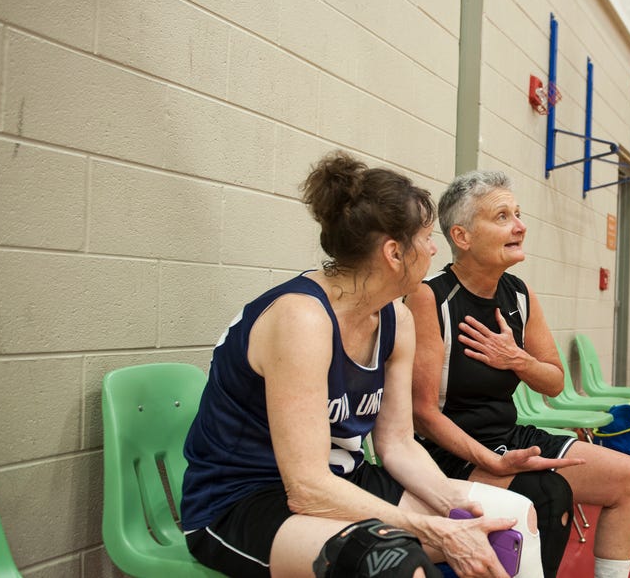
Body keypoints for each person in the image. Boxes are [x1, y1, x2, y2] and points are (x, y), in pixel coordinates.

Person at [181, 151, 546, 578]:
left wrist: (457, 509)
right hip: (245, 501)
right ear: (394, 252)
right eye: (427, 238)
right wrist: (432, 529)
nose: (434, 249)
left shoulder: (397, 317)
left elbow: (397, 444)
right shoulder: (302, 319)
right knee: (391, 560)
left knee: (512, 520)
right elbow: (306, 489)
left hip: (345, 483)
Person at [405, 170, 630, 578]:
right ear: (462, 237)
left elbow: (554, 383)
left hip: (509, 437)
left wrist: (517, 360)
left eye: (518, 214)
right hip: (448, 451)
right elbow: (421, 413)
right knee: (547, 499)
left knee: (629, 477)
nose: (520, 226)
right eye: (502, 217)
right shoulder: (430, 297)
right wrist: (489, 460)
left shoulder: (520, 294)